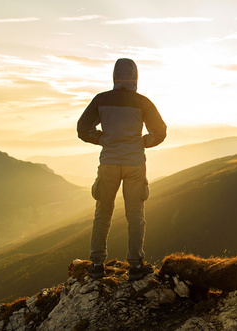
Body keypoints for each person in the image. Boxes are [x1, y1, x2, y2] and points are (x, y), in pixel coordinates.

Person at [77, 58, 167, 281]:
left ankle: (97, 265)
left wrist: (102, 139)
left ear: (114, 77)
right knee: (135, 216)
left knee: (103, 213)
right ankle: (135, 266)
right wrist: (143, 142)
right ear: (136, 77)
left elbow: (82, 129)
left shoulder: (101, 100)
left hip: (109, 163)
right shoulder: (142, 102)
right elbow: (160, 131)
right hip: (135, 165)